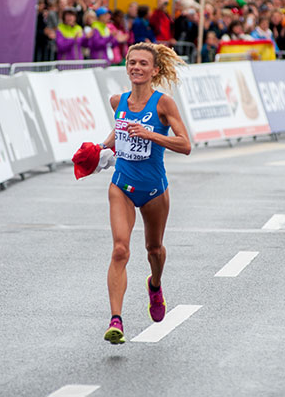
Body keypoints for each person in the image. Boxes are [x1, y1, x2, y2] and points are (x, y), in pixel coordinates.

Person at [100, 42, 192, 344]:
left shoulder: (163, 104)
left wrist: (150, 133)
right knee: (120, 250)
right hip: (122, 185)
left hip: (154, 189)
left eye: (143, 63)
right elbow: (119, 133)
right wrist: (99, 149)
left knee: (154, 249)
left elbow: (185, 145)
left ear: (154, 70)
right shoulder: (118, 101)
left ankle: (155, 284)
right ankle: (116, 320)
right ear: (126, 67)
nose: (136, 67)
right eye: (132, 62)